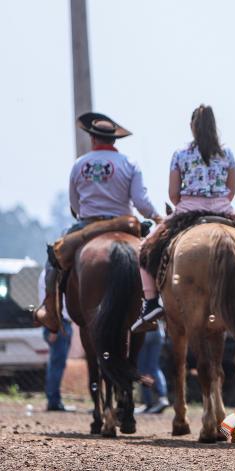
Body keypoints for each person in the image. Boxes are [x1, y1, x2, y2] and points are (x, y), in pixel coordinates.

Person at [34, 113, 161, 333]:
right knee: (154, 256)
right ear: (114, 140)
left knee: (54, 258)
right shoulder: (129, 163)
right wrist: (157, 216)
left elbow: (75, 204)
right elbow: (141, 202)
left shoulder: (79, 164)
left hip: (88, 225)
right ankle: (154, 304)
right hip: (125, 224)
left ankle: (51, 311)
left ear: (93, 139)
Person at [132, 104, 235, 333]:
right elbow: (231, 190)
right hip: (223, 209)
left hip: (188, 210)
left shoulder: (180, 155)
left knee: (145, 248)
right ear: (214, 125)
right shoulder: (227, 153)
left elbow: (173, 194)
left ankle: (151, 303)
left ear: (192, 126)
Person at [38, 269, 75, 412]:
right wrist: (54, 326)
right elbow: (51, 301)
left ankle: (54, 399)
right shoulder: (53, 273)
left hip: (59, 323)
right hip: (59, 323)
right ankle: (53, 401)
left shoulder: (50, 272)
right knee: (57, 363)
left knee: (56, 363)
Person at [135, 322, 169, 414]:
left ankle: (148, 402)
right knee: (154, 367)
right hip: (158, 331)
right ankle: (162, 397)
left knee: (142, 369)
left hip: (143, 332)